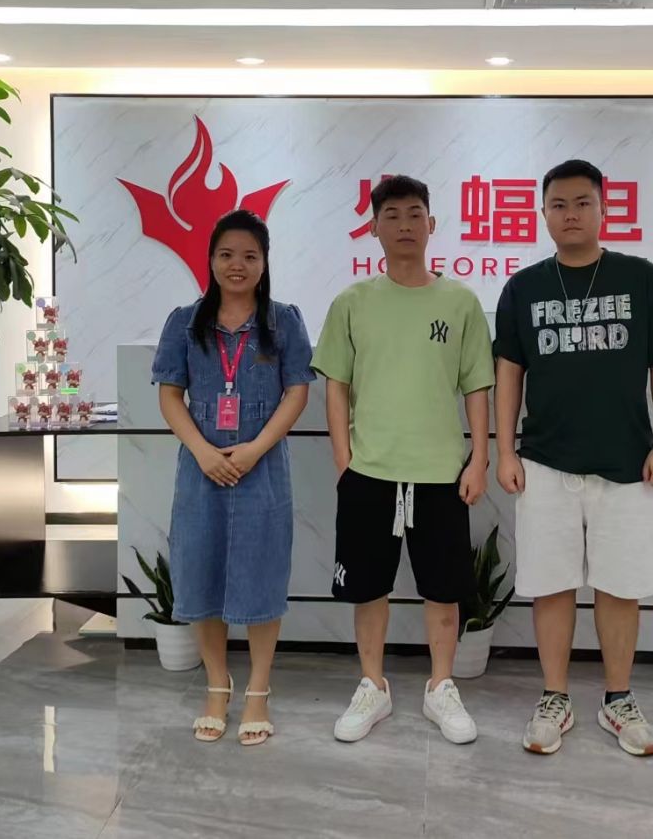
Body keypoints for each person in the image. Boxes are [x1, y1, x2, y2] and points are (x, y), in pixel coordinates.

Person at [493, 159, 653, 757]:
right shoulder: (523, 288)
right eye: (558, 205)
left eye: (583, 203)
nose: (571, 214)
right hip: (545, 463)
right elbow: (508, 375)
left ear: (604, 210)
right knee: (551, 585)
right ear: (543, 214)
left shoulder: (642, 279)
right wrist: (505, 451)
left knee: (620, 586)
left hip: (627, 463)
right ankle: (554, 698)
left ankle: (617, 698)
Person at [312, 175, 495, 745]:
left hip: (441, 472)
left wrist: (479, 458)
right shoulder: (352, 303)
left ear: (432, 224)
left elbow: (477, 386)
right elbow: (336, 386)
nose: (405, 225)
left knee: (444, 590)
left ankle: (441, 686)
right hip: (369, 472)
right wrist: (343, 460)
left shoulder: (460, 303)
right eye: (391, 215)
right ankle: (374, 686)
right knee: (369, 589)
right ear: (374, 228)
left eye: (415, 214)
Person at [151, 210, 315, 747]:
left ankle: (259, 690)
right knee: (201, 574)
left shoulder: (284, 321)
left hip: (262, 470)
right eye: (226, 255)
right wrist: (203, 451)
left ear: (264, 262)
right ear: (211, 260)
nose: (237, 265)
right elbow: (169, 395)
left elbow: (297, 393)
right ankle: (217, 687)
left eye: (249, 255)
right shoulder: (184, 321)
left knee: (262, 576)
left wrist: (253, 450)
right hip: (201, 470)